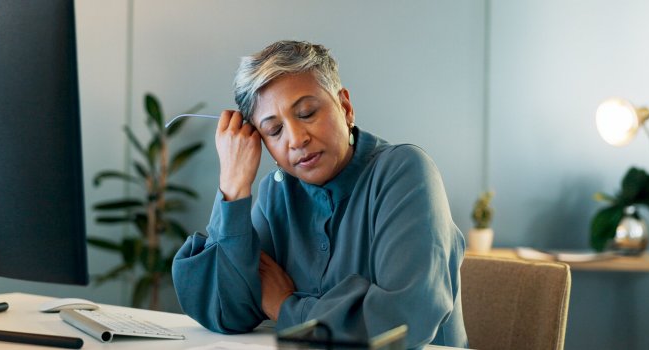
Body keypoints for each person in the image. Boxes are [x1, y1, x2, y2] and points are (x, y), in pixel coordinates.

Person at [172, 40, 468, 348]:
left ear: (346, 107)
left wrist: (285, 306)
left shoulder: (405, 172)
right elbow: (226, 312)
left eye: (307, 112)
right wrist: (233, 187)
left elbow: (401, 323)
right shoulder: (278, 192)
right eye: (274, 131)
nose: (297, 139)